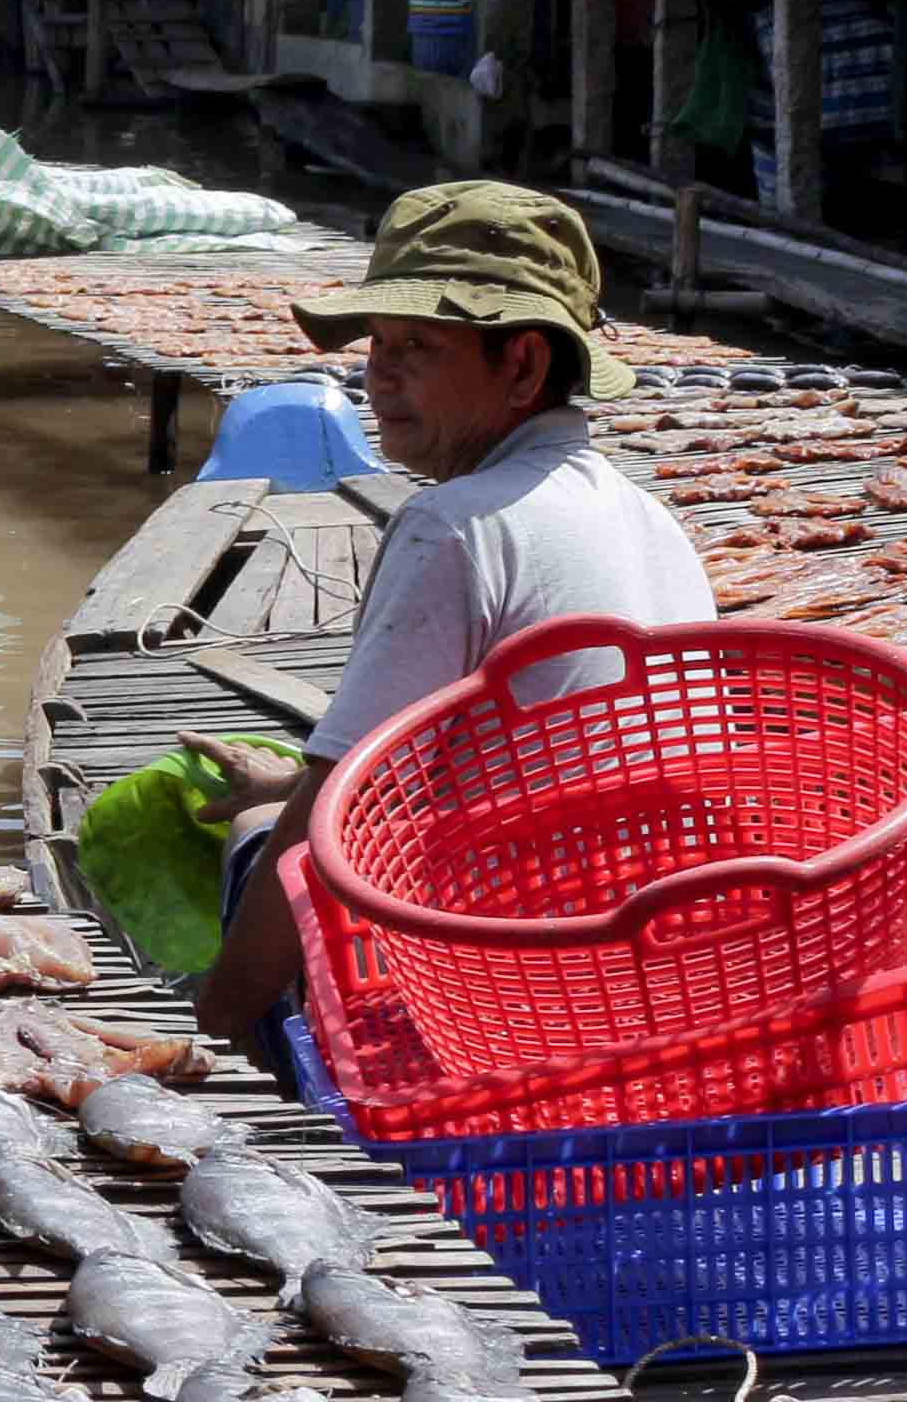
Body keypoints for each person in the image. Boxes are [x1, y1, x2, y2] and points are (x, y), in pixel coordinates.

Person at [185, 181, 713, 1055]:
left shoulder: (455, 524)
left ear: (522, 367)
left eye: (417, 347)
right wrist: (287, 781)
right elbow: (574, 753)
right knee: (268, 809)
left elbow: (320, 830)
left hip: (511, 967)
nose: (375, 373)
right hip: (644, 930)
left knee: (251, 841)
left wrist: (211, 1026)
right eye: (377, 344)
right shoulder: (645, 513)